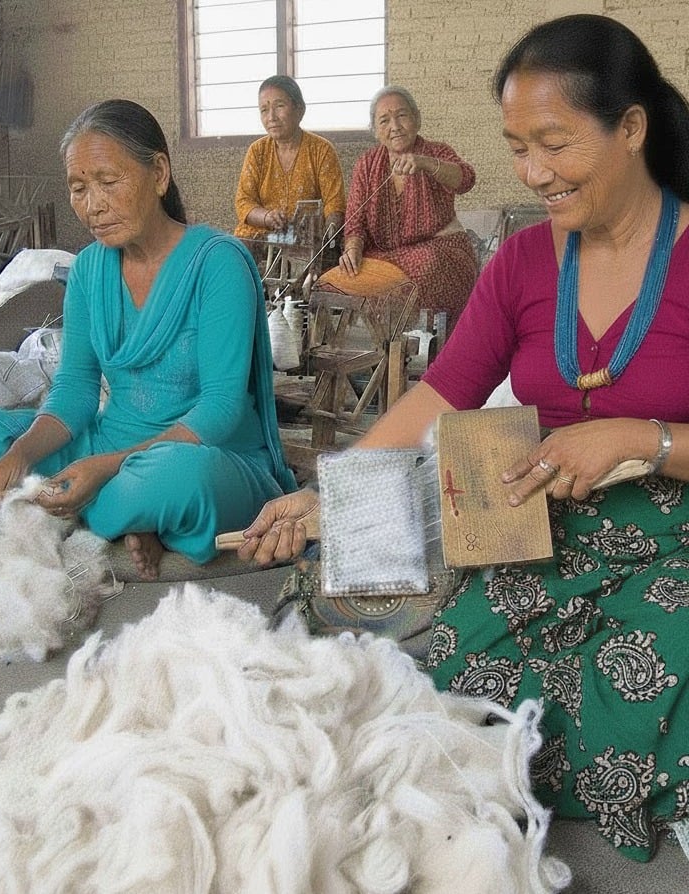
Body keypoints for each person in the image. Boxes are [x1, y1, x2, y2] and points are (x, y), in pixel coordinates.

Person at [234, 15, 689, 861]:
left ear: (631, 127)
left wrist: (642, 438)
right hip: (551, 523)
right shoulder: (521, 262)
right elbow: (441, 393)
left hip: (680, 530)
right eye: (518, 146)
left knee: (657, 659)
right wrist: (326, 490)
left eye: (554, 143)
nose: (533, 172)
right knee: (433, 673)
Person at [0, 99, 296, 581]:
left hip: (205, 454)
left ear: (158, 173)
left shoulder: (216, 263)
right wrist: (18, 458)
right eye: (78, 188)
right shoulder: (87, 271)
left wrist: (107, 467)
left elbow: (222, 407)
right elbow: (76, 389)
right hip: (106, 442)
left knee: (180, 482)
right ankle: (121, 516)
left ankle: (93, 507)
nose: (92, 205)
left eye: (107, 182)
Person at [331, 85, 478, 330]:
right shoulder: (366, 165)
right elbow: (355, 221)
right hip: (387, 257)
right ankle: (385, 348)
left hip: (442, 253)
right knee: (341, 277)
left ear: (417, 119)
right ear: (375, 130)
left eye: (401, 116)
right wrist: (353, 250)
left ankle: (425, 347)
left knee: (425, 265)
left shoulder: (436, 152)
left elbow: (466, 179)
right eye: (384, 120)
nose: (395, 126)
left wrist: (427, 164)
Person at [234, 75, 346, 241]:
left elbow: (334, 203)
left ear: (299, 109)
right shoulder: (257, 151)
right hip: (262, 233)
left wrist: (329, 233)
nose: (271, 117)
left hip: (305, 238)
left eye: (279, 106)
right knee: (235, 252)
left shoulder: (321, 150)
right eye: (264, 110)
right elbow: (244, 202)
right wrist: (267, 217)